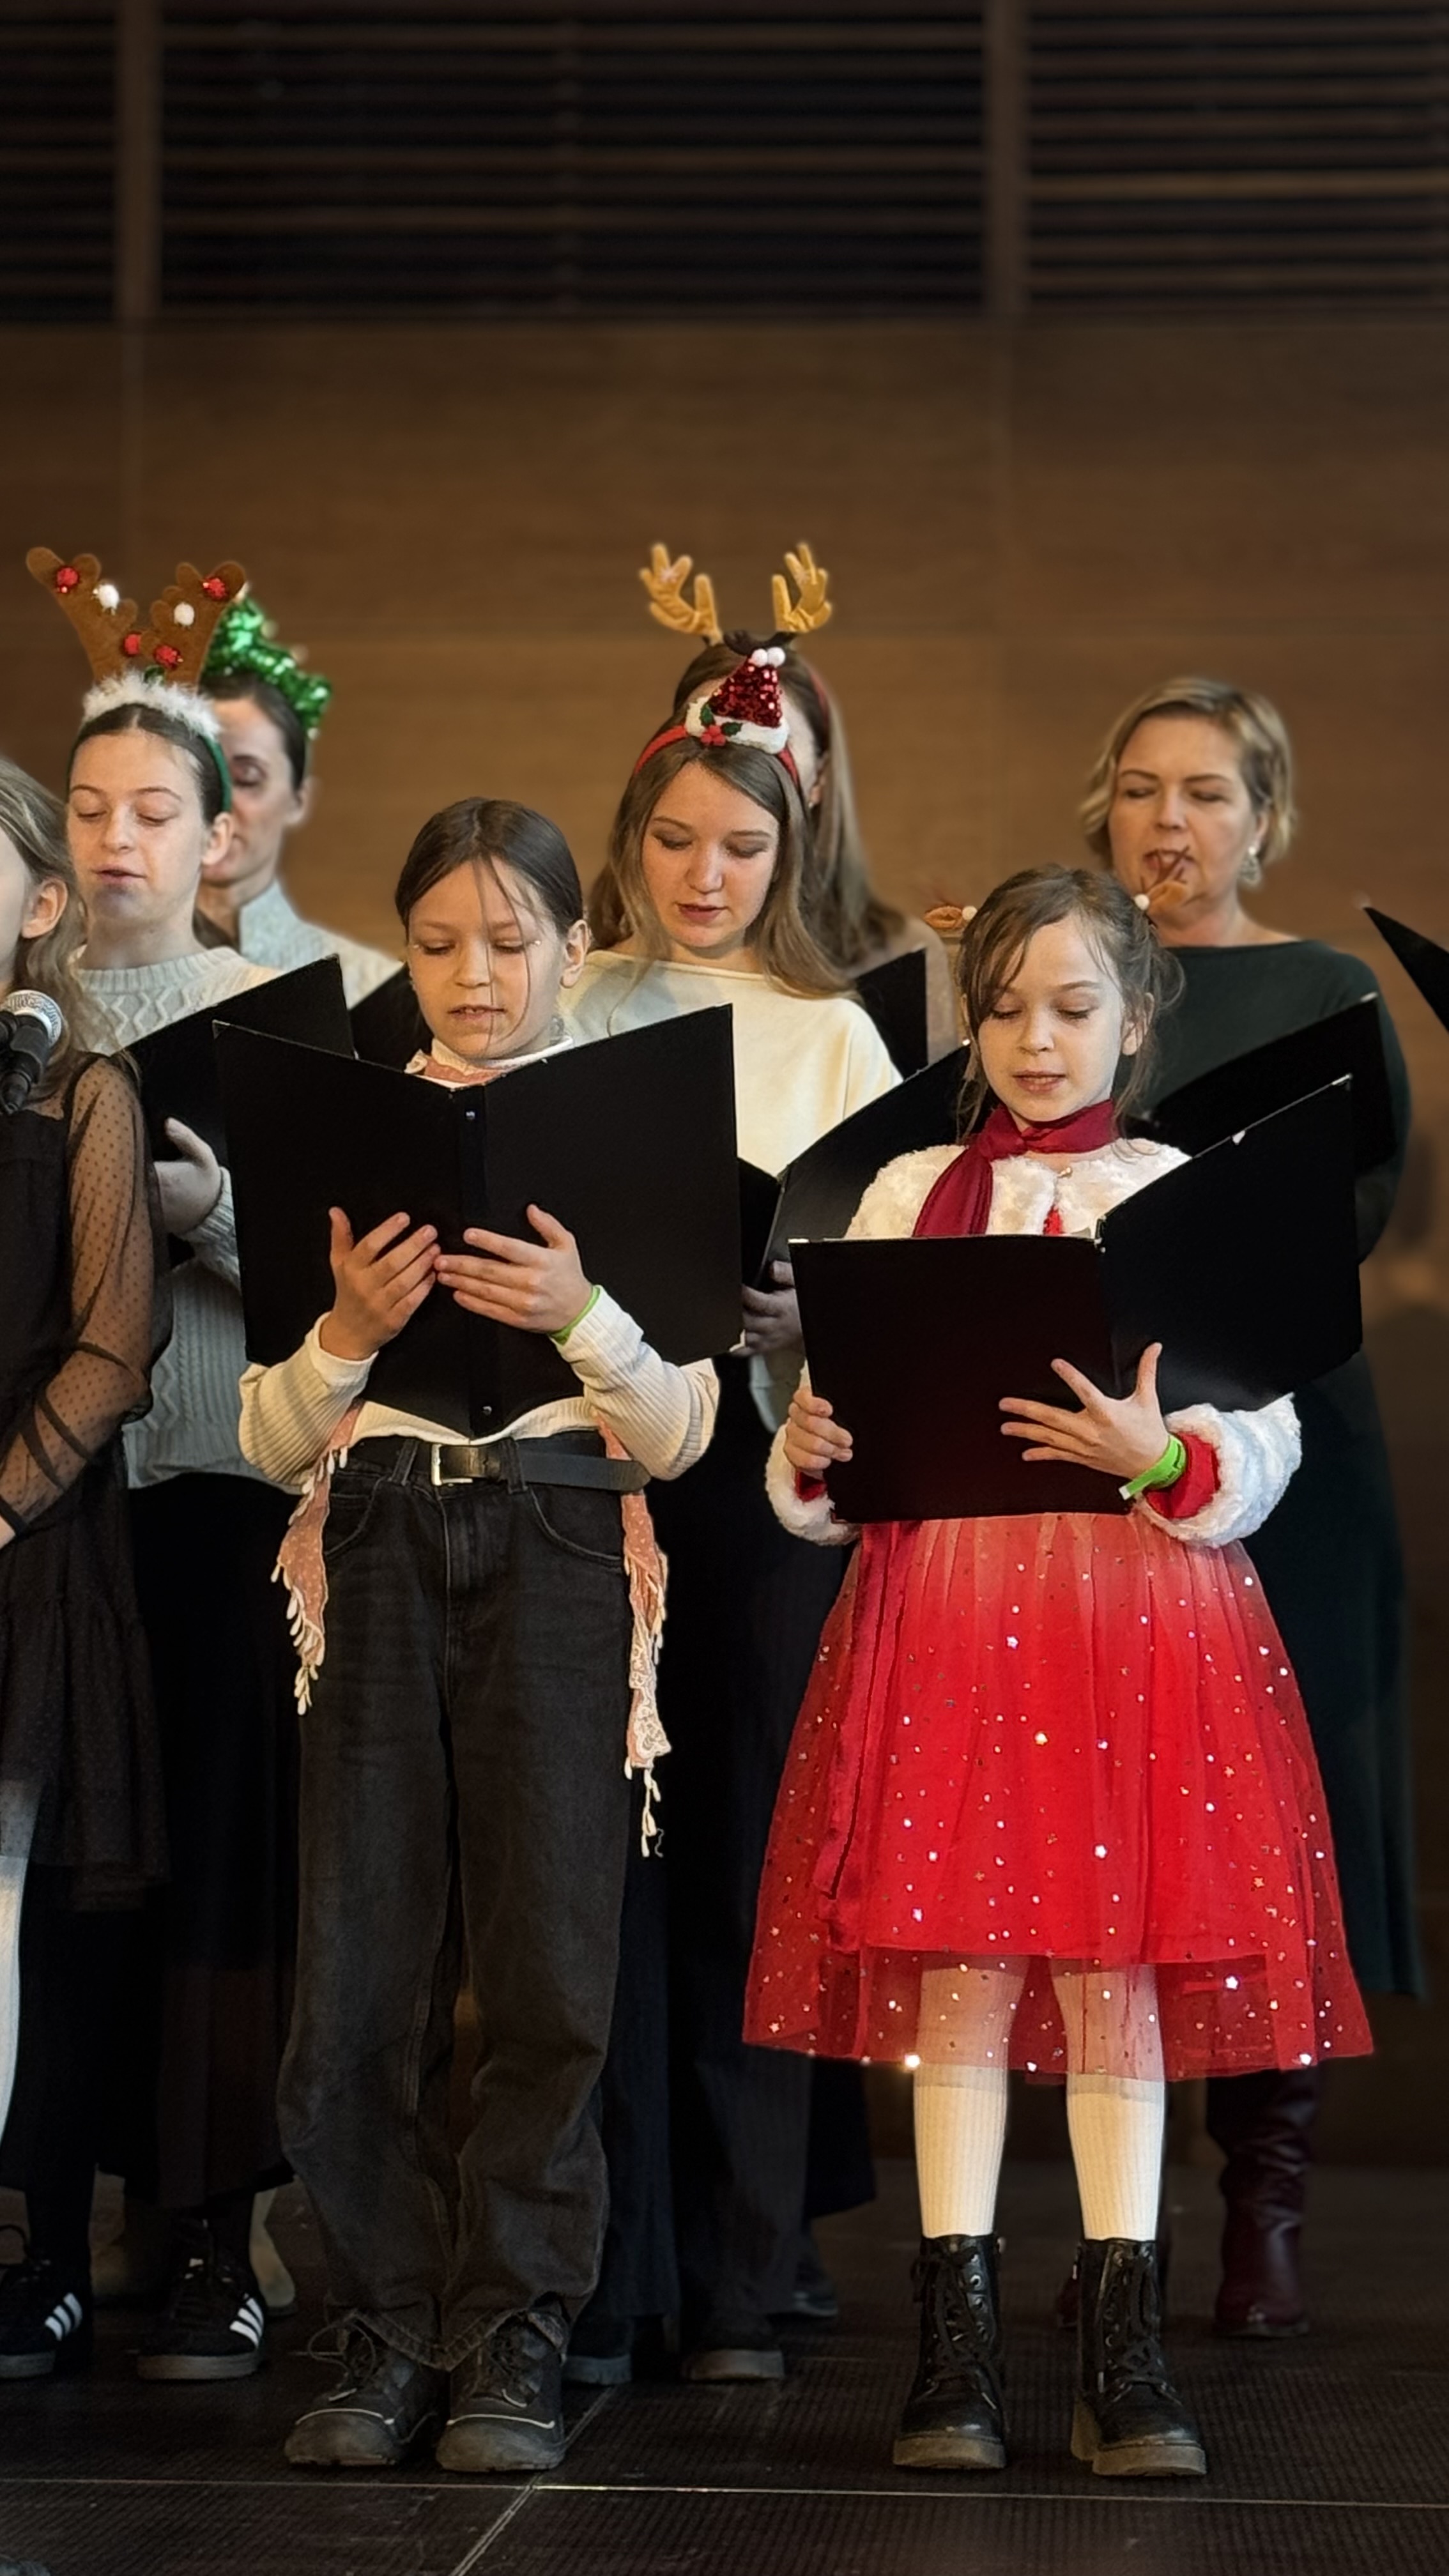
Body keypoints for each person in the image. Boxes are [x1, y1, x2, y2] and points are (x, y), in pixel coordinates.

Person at [746, 866, 1371, 2478]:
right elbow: (841, 1440)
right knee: (959, 1969)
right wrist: (813, 1442)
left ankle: (1123, 2347)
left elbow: (1265, 1432)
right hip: (951, 1623)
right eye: (1007, 1009)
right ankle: (952, 2348)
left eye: (1075, 1008)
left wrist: (1157, 1452)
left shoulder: (1179, 1189)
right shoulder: (907, 1193)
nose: (1037, 1039)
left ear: (1137, 1019)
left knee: (1115, 1976)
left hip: (1133, 1630)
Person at [238, 797, 717, 2473]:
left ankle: (514, 2327)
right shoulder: (350, 1133)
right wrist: (344, 1334)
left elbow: (683, 1435)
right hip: (376, 1538)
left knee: (548, 1967)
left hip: (562, 1544)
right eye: (437, 944)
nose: (475, 975)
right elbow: (264, 1437)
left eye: (510, 942)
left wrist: (584, 1316)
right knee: (356, 1964)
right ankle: (381, 2321)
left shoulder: (632, 1132)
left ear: (574, 947)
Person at [562, 642, 898, 2382]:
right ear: (631, 839)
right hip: (587, 1479)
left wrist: (799, 1309)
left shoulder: (831, 1028)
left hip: (756, 1490)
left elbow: (887, 1278)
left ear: (793, 852)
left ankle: (744, 2275)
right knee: (595, 1879)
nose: (705, 877)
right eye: (676, 841)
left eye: (742, 848)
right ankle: (609, 2267)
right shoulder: (569, 996)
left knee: (746, 1867)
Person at [1084, 675, 1417, 2336]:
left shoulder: (1324, 989)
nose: (1170, 821)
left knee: (1287, 1815)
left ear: (1261, 819)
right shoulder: (1067, 973)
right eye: (1142, 788)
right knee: (1121, 1817)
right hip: (1102, 1445)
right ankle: (1119, 2216)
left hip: (1289, 1443)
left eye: (1206, 792)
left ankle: (1261, 2204)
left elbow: (1358, 1207)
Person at [46, 598, 302, 2380]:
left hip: (219, 1481)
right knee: (75, 1867)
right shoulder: (27, 1020)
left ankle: (216, 2230)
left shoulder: (267, 1024)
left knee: (217, 1859)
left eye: (156, 810)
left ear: (220, 834)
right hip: (63, 1501)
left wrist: (215, 1218)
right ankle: (57, 2225)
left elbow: (345, 1287)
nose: (118, 840)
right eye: (88, 810)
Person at [0, 757, 167, 2378]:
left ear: (41, 905)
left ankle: (16, 2243)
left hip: (25, 1540)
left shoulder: (79, 1091)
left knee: (0, 1913)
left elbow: (115, 1345)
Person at [639, 543, 958, 1060]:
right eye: (716, 726)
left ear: (818, 779)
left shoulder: (894, 956)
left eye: (769, 740)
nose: (737, 760)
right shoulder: (595, 958)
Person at [198, 593, 396, 1000]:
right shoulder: (81, 976)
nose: (219, 803)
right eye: (199, 776)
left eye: (247, 778)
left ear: (298, 800)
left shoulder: (370, 988)